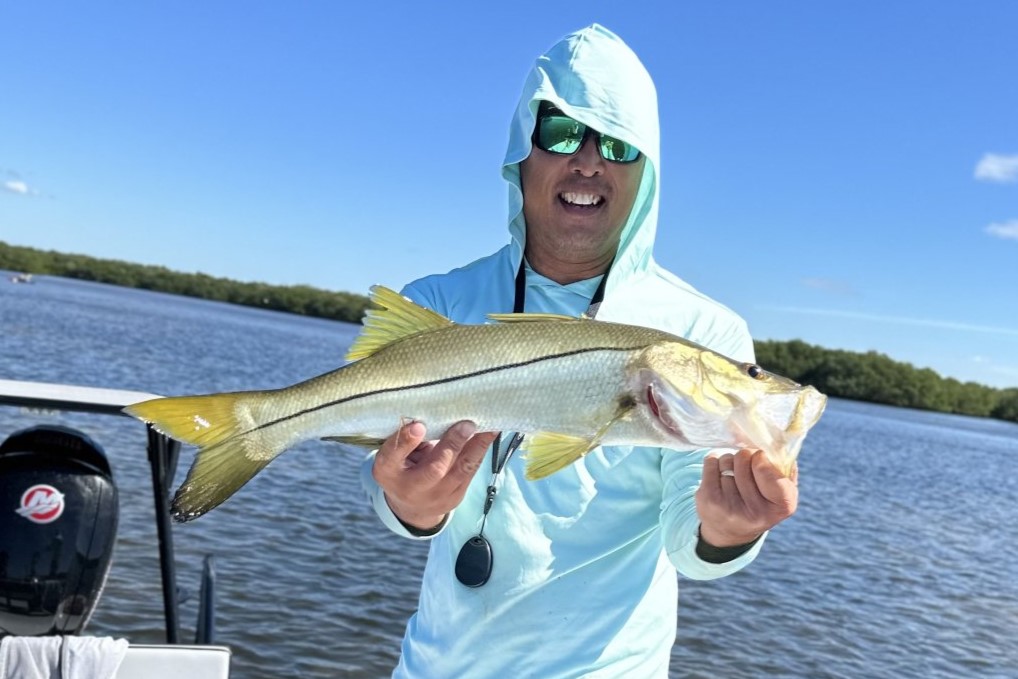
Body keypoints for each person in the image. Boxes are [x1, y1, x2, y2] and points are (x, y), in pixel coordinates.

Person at [360, 23, 798, 678]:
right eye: (561, 133)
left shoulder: (705, 335)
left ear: (645, 172)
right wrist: (407, 505)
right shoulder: (439, 303)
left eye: (618, 143)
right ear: (521, 153)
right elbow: (392, 490)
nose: (588, 162)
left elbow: (689, 537)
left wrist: (727, 529)